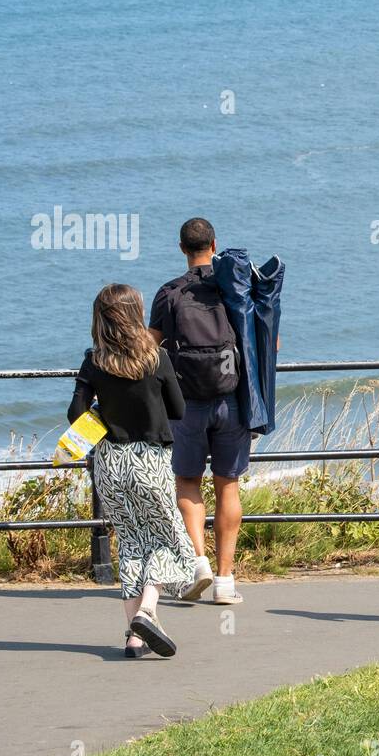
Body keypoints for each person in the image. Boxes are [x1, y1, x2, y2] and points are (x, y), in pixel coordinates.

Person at [68, 285, 196, 658]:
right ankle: (147, 611)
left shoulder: (94, 361)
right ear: (135, 314)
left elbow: (75, 414)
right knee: (171, 540)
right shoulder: (156, 357)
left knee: (131, 542)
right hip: (148, 461)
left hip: (109, 461)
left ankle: (134, 638)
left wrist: (106, 418)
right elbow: (178, 410)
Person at [148, 218, 248, 605]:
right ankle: (225, 582)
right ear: (214, 244)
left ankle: (198, 565)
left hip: (185, 403)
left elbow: (149, 347)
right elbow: (265, 343)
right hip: (231, 399)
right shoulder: (232, 287)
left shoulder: (170, 292)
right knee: (228, 484)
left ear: (181, 248)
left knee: (188, 483)